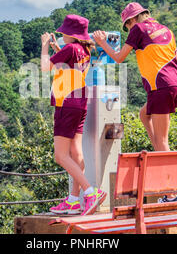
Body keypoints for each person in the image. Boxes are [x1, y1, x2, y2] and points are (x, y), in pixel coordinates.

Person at [92, 2, 177, 203]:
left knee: (163, 141)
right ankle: (158, 152)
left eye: (127, 26)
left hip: (160, 85)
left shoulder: (138, 29)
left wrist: (101, 42)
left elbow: (118, 57)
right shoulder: (165, 29)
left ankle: (171, 194)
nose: (128, 30)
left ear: (131, 20)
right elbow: (176, 60)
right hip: (175, 83)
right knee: (144, 115)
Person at [40, 14, 107, 215]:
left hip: (66, 103)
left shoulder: (70, 48)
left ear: (70, 34)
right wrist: (57, 51)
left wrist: (44, 46)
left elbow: (45, 69)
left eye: (63, 33)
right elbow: (69, 68)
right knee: (75, 152)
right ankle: (72, 200)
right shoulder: (84, 49)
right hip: (80, 102)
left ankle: (90, 192)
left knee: (60, 155)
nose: (62, 36)